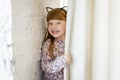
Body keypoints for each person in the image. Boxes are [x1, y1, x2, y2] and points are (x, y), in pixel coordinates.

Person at [40, 6, 72, 80]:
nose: (54, 27)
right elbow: (45, 67)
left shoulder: (72, 42)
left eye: (58, 23)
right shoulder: (49, 44)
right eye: (50, 23)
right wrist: (62, 60)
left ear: (67, 23)